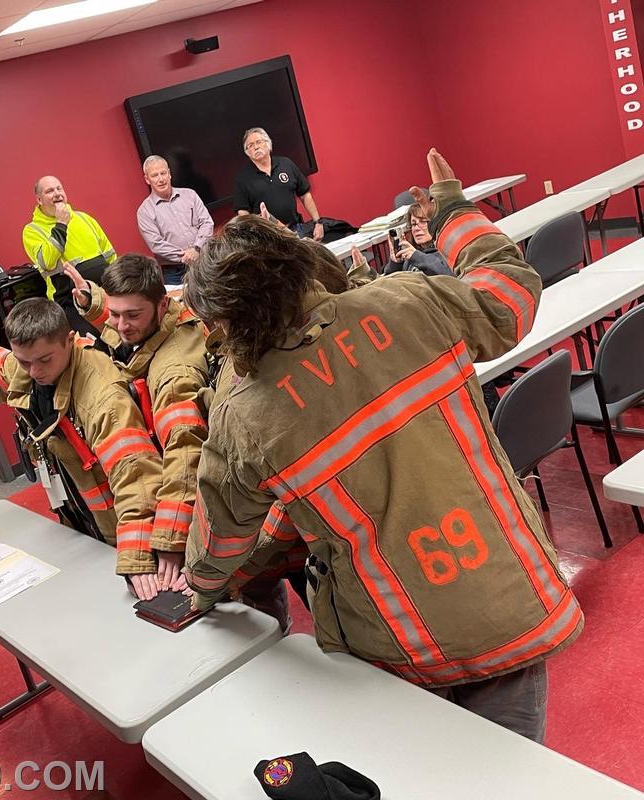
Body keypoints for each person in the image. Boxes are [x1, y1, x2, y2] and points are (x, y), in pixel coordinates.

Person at [182, 149, 582, 742]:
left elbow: (223, 537)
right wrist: (451, 211)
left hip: (397, 645)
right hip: (507, 604)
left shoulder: (244, 414)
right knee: (514, 775)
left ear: (227, 318)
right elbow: (509, 294)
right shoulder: (408, 302)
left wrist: (200, 588)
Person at [0, 297, 182, 600]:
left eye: (43, 360)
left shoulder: (104, 399)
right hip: (80, 520)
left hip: (121, 527)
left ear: (69, 341)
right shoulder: (33, 365)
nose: (34, 371)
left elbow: (138, 479)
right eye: (25, 361)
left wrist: (138, 557)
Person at [66, 254, 209, 587]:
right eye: (114, 314)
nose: (120, 324)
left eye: (132, 315)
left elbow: (185, 449)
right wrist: (93, 301)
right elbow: (125, 329)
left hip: (198, 504)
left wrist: (169, 542)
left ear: (161, 306)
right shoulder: (150, 323)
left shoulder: (175, 372)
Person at [21, 175, 117, 334]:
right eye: (50, 191)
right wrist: (61, 224)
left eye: (59, 188)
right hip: (70, 301)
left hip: (104, 292)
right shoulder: (32, 230)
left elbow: (110, 254)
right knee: (94, 347)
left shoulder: (84, 218)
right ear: (39, 200)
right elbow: (47, 262)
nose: (57, 193)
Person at [233, 127, 324, 240]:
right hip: (267, 238)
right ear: (247, 152)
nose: (256, 147)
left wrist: (318, 222)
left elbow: (304, 194)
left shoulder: (286, 164)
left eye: (258, 142)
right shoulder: (243, 178)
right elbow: (243, 212)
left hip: (296, 229)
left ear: (268, 144)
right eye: (250, 145)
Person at [136, 156, 214, 286]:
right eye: (155, 175)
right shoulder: (144, 211)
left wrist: (196, 248)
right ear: (147, 179)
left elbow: (207, 223)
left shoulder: (190, 195)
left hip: (205, 261)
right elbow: (156, 244)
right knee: (181, 306)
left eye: (163, 173)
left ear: (169, 174)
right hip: (175, 273)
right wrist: (186, 256)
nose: (161, 179)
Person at [385, 202, 453, 276]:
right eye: (413, 224)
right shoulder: (411, 254)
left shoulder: (447, 252)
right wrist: (396, 264)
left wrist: (417, 256)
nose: (416, 228)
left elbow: (450, 277)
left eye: (423, 221)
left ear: (436, 222)